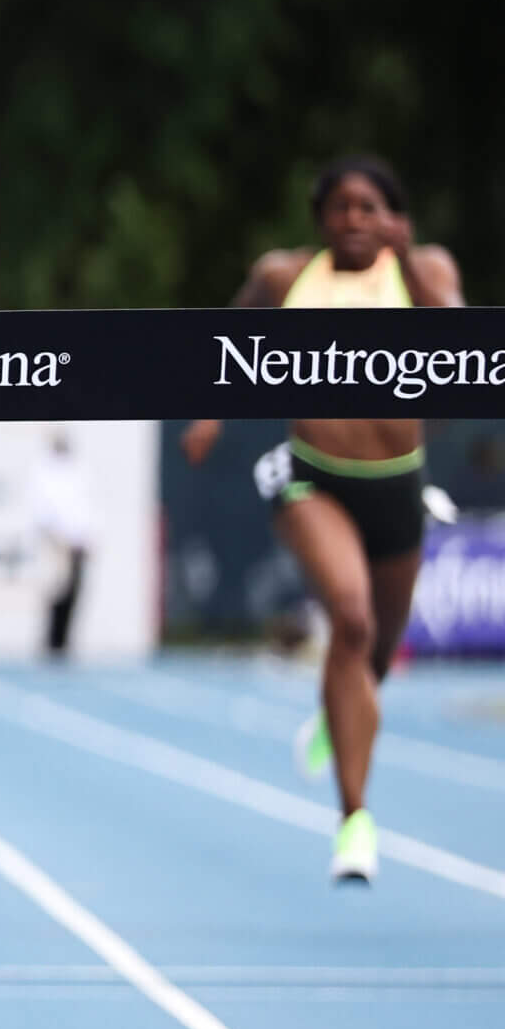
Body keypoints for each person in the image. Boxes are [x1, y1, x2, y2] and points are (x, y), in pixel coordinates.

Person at [182, 155, 462, 885]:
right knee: (352, 619)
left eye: (370, 207)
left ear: (393, 216)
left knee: (376, 658)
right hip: (313, 477)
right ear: (320, 217)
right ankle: (354, 821)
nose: (354, 220)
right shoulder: (285, 277)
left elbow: (462, 343)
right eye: (341, 207)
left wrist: (410, 260)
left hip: (397, 485)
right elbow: (224, 338)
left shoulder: (424, 269)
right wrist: (209, 413)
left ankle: (336, 720)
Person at [33, 431, 92, 658]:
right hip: (57, 540)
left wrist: (85, 537)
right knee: (57, 589)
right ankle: (53, 640)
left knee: (73, 591)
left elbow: (83, 508)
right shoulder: (45, 472)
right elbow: (43, 509)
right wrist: (55, 535)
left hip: (76, 542)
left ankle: (63, 639)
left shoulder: (76, 472)